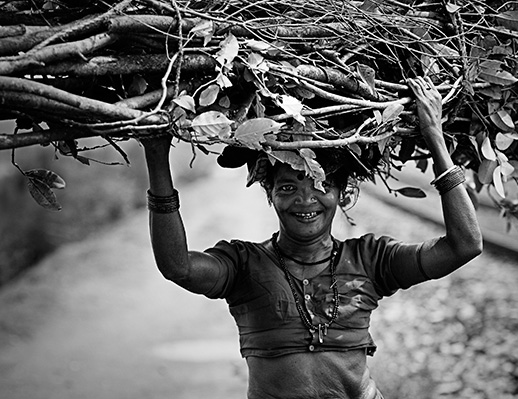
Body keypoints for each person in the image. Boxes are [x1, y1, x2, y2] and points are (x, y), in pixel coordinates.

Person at [142, 76, 483, 399]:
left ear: (342, 195)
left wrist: (434, 138)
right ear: (269, 193)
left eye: (321, 187)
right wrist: (156, 158)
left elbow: (464, 245)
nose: (306, 201)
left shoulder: (371, 260)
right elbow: (178, 266)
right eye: (288, 188)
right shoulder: (244, 265)